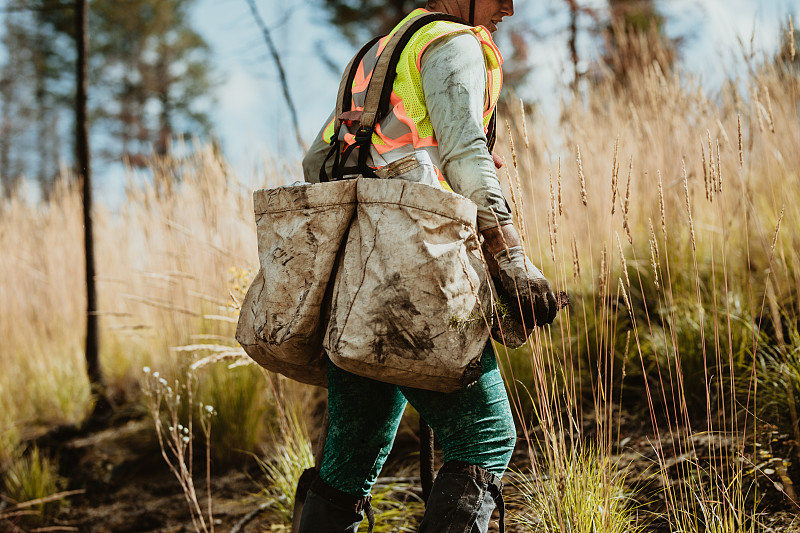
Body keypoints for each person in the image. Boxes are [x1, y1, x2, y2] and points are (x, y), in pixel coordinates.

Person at [299, 1, 558, 531]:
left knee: (351, 459)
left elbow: (315, 161)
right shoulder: (454, 42)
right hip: (417, 274)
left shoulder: (375, 52)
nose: (508, 7)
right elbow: (466, 154)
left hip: (354, 283)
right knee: (485, 435)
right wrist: (509, 255)